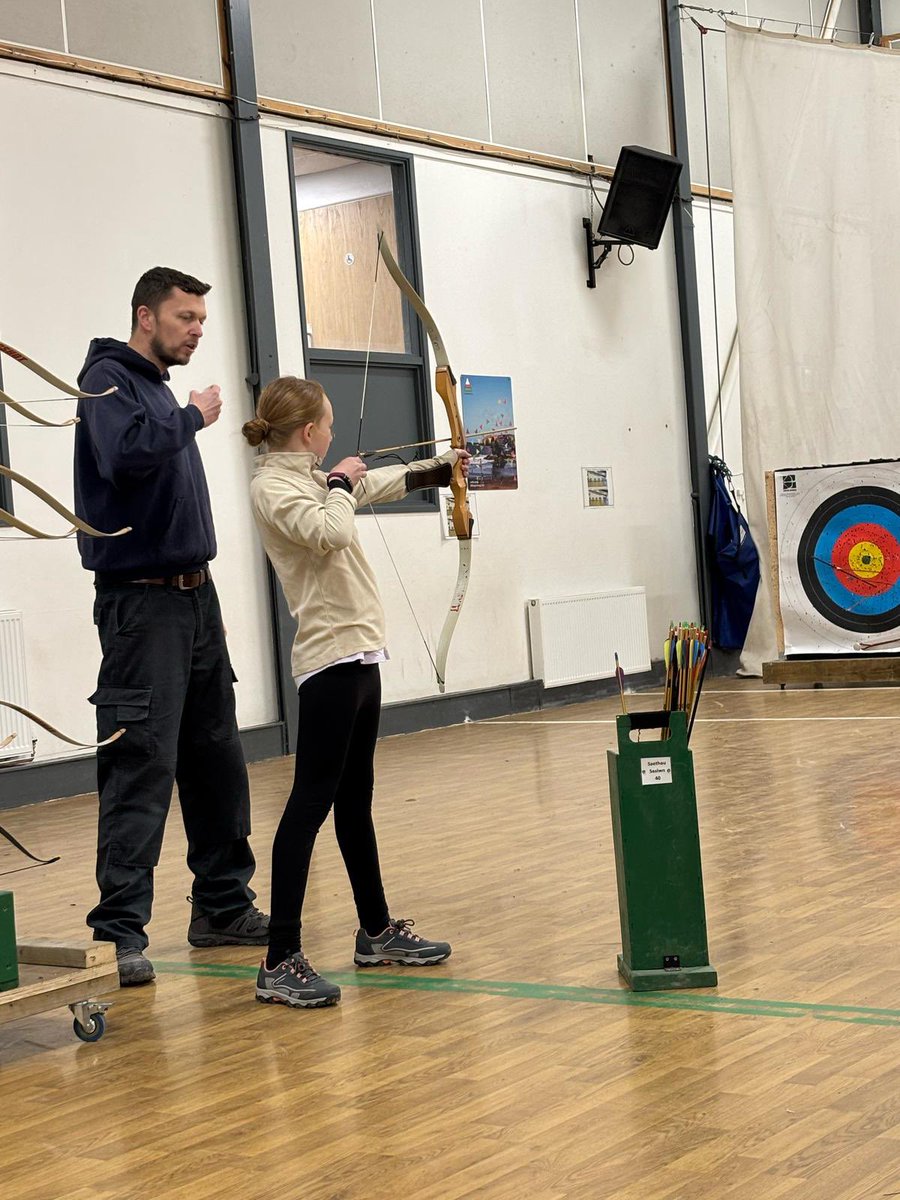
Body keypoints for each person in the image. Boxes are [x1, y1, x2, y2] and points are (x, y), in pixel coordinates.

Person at [242, 376, 468, 1009]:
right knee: (308, 805)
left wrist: (440, 470)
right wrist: (339, 481)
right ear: (308, 431)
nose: (335, 434)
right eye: (329, 425)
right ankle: (280, 956)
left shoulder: (313, 477)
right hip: (330, 658)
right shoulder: (275, 487)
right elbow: (330, 529)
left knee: (354, 801)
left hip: (359, 654)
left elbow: (368, 484)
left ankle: (375, 932)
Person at [74, 266, 268, 987]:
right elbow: (125, 455)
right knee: (140, 763)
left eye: (200, 320)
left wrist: (180, 412)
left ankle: (221, 907)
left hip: (194, 602)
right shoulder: (107, 381)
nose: (195, 329)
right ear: (145, 315)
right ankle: (116, 933)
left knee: (216, 758)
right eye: (185, 317)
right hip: (141, 605)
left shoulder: (151, 389)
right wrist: (191, 417)